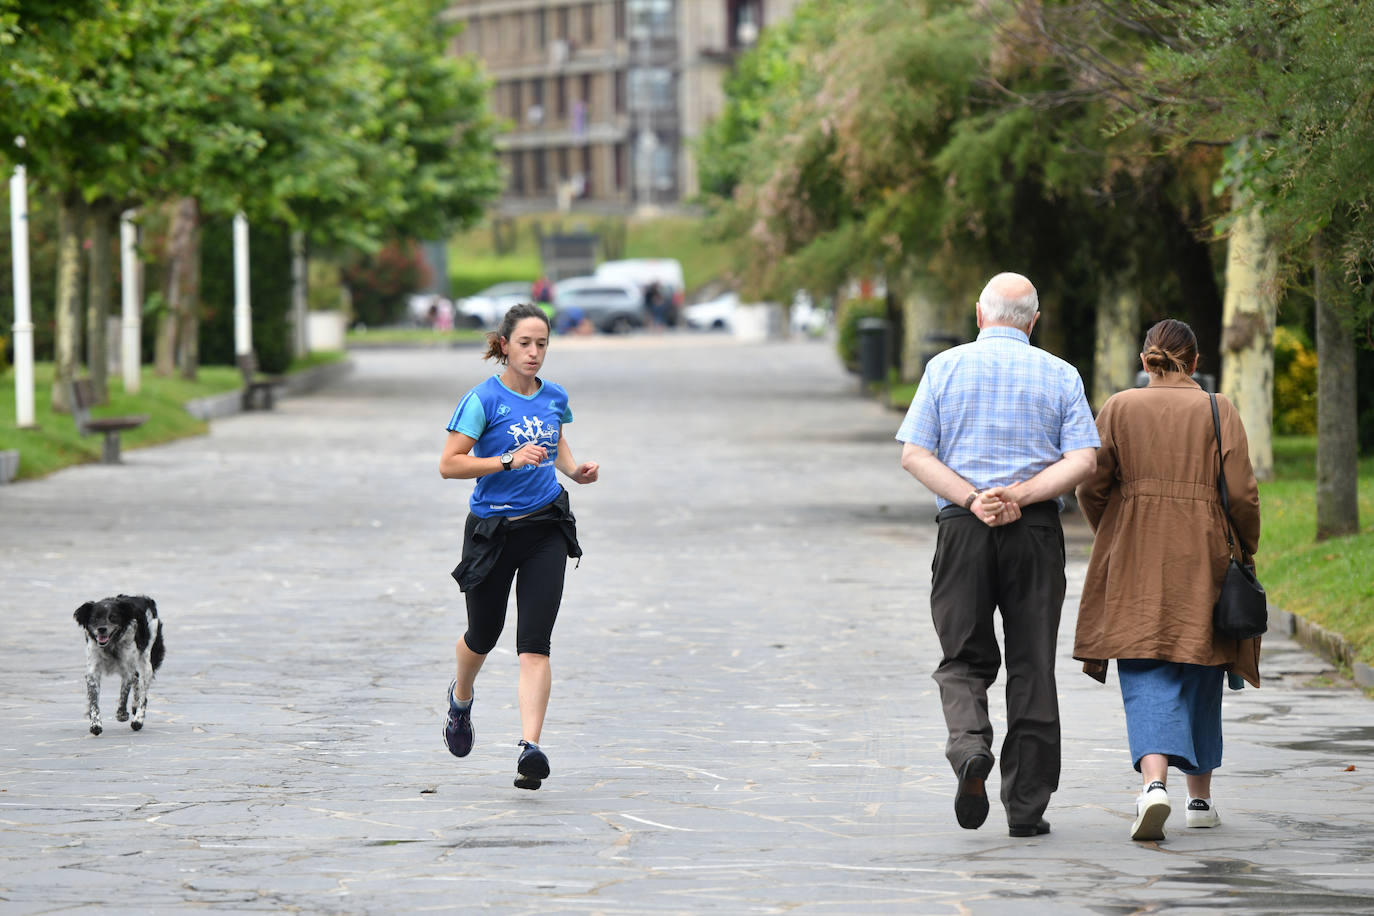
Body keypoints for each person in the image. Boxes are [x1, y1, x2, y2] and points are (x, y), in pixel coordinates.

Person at [896, 272, 1099, 837]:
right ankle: (1027, 808)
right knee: (1032, 664)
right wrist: (1021, 495)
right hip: (1033, 531)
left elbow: (915, 454)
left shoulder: (944, 368)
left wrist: (972, 498)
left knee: (962, 658)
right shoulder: (1061, 374)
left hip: (963, 528)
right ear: (1034, 321)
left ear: (979, 315)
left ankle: (968, 750)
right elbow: (1085, 460)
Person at [1073, 318, 1260, 841]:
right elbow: (1242, 492)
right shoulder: (1217, 409)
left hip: (1134, 548)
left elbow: (1092, 484)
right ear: (1195, 362)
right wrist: (1246, 544)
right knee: (1201, 658)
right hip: (1203, 551)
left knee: (1144, 660)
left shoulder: (1118, 407)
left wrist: (1112, 528)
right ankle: (1199, 799)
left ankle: (1153, 786)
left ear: (1146, 361)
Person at [439, 302, 600, 790]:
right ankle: (461, 699)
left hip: (545, 528)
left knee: (534, 643)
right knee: (483, 634)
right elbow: (450, 464)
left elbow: (555, 441)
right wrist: (506, 460)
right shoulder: (482, 400)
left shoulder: (554, 397)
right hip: (492, 532)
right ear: (504, 345)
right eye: (525, 343)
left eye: (543, 344)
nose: (534, 353)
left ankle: (530, 748)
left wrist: (572, 470)